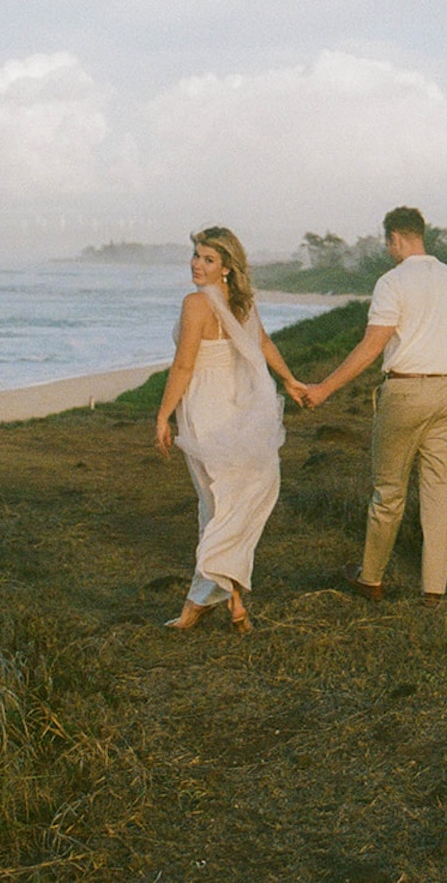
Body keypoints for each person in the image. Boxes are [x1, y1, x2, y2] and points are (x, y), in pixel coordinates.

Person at [303, 206, 447, 605]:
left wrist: (324, 389)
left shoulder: (392, 282)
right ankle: (433, 591)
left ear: (395, 238)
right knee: (441, 496)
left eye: (389, 244)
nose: (389, 250)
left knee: (388, 491)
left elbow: (372, 346)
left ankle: (371, 578)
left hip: (405, 394)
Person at [156, 226, 309, 633]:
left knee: (216, 503)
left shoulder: (195, 304)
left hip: (206, 406)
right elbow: (263, 345)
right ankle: (233, 604)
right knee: (227, 501)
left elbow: (185, 365)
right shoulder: (241, 303)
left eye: (208, 258)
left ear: (226, 268)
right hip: (238, 404)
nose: (197, 264)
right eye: (195, 255)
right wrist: (289, 379)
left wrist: (162, 415)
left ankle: (198, 602)